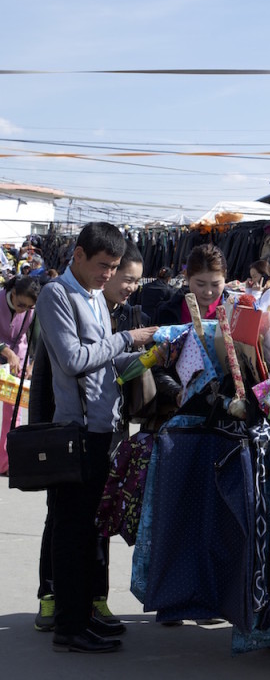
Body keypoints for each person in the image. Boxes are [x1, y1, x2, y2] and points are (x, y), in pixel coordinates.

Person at [34, 222, 157, 653]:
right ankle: (69, 627)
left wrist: (149, 356)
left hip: (103, 433)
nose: (108, 275)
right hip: (77, 435)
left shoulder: (94, 298)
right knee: (71, 532)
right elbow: (71, 360)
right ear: (78, 256)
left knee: (90, 533)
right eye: (103, 266)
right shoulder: (57, 295)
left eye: (114, 267)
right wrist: (127, 337)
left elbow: (106, 365)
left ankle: (84, 614)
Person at [0, 276, 39, 475]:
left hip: (19, 357)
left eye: (28, 307)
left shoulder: (32, 311)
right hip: (6, 354)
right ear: (12, 293)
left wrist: (32, 363)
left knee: (13, 411)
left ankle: (5, 462)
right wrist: (6, 351)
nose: (23, 309)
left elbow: (36, 337)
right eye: (20, 304)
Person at [155, 244, 229, 326]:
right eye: (200, 284)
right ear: (186, 276)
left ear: (225, 278)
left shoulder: (235, 312)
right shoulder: (167, 312)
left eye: (215, 284)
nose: (208, 292)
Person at [245, 259, 270, 325]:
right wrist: (249, 290)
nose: (252, 280)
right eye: (251, 277)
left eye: (254, 277)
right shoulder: (262, 291)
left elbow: (257, 314)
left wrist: (256, 293)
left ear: (264, 277)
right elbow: (246, 309)